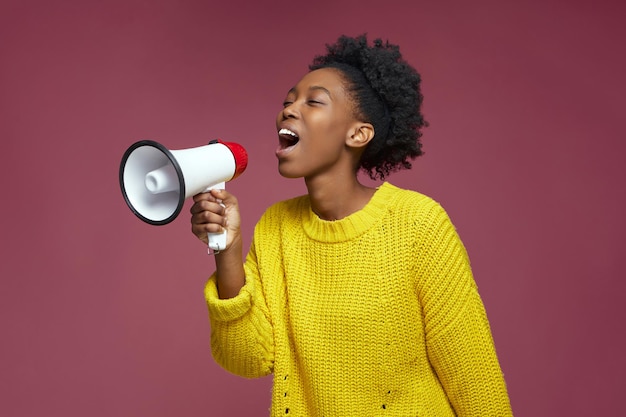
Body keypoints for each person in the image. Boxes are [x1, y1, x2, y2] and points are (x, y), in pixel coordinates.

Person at [190, 34, 512, 416]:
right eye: (288, 101)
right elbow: (247, 360)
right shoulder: (275, 228)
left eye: (314, 102)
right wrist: (227, 252)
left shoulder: (417, 223)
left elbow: (474, 376)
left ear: (358, 133)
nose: (289, 110)